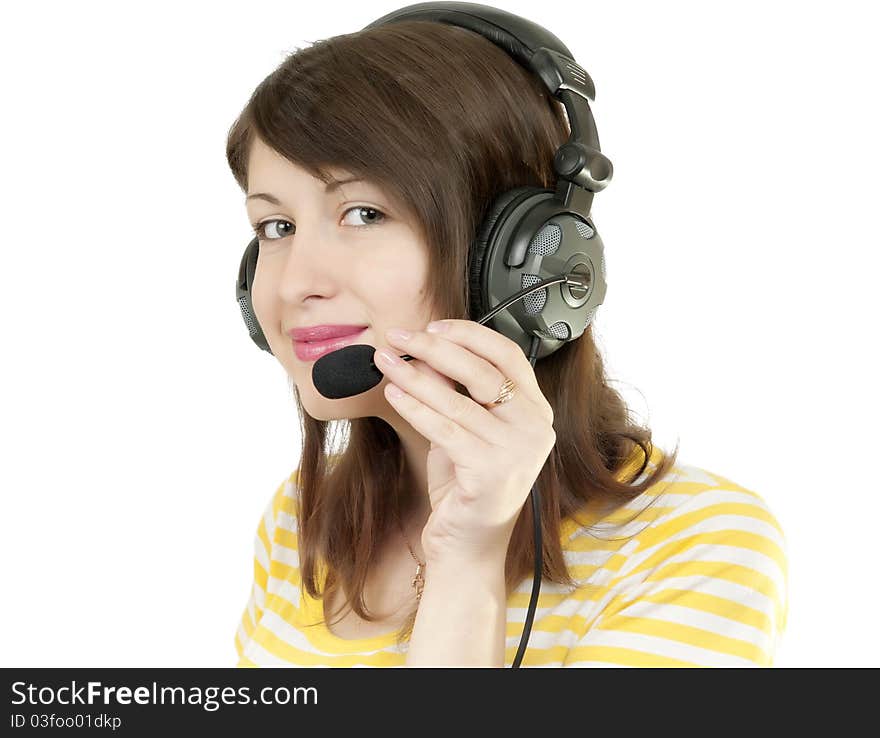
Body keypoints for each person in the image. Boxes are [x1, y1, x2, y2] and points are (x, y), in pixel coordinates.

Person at [225, 11, 788, 667]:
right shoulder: (305, 520)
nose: (294, 284)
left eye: (363, 213)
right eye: (275, 227)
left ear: (517, 262)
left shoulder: (695, 544)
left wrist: (467, 563)